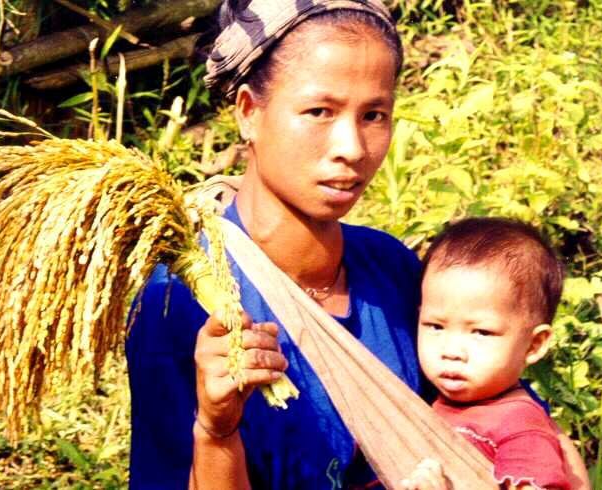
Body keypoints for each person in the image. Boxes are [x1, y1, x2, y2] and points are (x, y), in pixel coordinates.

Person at [127, 1, 423, 488]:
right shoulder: (178, 300)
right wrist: (216, 430)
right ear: (249, 113)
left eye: (374, 115)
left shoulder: (392, 269)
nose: (351, 148)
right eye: (319, 112)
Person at [401, 218, 576, 490]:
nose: (451, 351)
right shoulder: (442, 404)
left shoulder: (519, 426)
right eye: (435, 326)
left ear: (534, 345)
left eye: (481, 332)